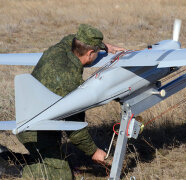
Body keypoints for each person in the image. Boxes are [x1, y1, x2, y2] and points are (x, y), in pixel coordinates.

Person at [16, 24, 125, 180]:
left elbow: (70, 38)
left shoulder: (62, 48)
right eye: (97, 51)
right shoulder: (70, 83)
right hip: (32, 127)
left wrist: (105, 46)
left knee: (51, 158)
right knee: (62, 175)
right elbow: (75, 129)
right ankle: (12, 169)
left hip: (28, 108)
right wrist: (94, 152)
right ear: (90, 53)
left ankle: (14, 157)